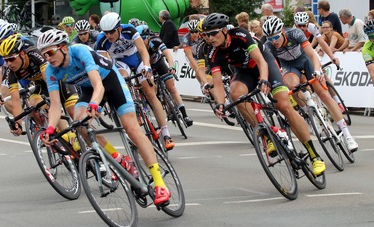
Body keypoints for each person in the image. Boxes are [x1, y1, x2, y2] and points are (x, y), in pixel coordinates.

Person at [37, 28, 171, 206]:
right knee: (79, 123)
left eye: (51, 52)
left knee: (131, 127)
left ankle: (160, 184)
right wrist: (50, 129)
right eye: (44, 55)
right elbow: (55, 105)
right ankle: (118, 158)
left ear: (63, 47)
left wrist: (94, 105)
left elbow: (98, 85)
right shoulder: (51, 71)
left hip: (109, 81)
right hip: (88, 90)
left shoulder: (80, 51)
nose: (48, 58)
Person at [203, 13, 326, 176]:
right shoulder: (212, 52)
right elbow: (218, 83)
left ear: (225, 30)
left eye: (213, 33)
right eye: (206, 34)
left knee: (283, 105)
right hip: (244, 72)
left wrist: (264, 80)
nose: (210, 38)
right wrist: (220, 103)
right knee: (235, 94)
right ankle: (266, 135)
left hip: (264, 65)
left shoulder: (240, 35)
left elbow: (261, 61)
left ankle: (314, 156)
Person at [262, 16, 358, 153]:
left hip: (305, 60)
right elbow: (272, 67)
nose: (274, 41)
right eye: (270, 38)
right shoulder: (269, 46)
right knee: (292, 85)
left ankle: (347, 135)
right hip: (289, 67)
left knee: (324, 94)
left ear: (282, 31)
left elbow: (312, 55)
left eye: (275, 37)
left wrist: (318, 70)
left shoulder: (295, 34)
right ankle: (309, 109)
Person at [95, 12, 176, 150]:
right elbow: (106, 64)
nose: (109, 35)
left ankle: (166, 134)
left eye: (112, 32)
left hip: (136, 58)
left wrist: (147, 66)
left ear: (119, 28)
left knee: (150, 93)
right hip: (120, 62)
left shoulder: (129, 30)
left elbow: (143, 50)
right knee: (123, 80)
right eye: (106, 32)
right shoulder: (101, 41)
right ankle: (132, 107)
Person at [138, 24, 193, 126]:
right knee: (152, 90)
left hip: (159, 64)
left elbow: (167, 53)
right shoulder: (137, 47)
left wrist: (172, 66)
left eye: (144, 39)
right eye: (140, 39)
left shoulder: (155, 40)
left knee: (172, 88)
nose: (142, 41)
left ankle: (185, 115)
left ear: (148, 37)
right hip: (148, 68)